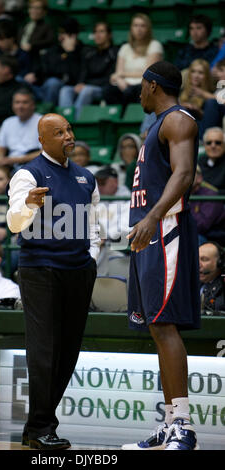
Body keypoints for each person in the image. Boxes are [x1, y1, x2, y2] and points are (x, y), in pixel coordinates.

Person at [6, 113, 100, 449]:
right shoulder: (27, 174)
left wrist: (92, 258)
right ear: (43, 140)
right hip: (40, 269)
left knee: (68, 350)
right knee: (44, 349)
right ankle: (43, 426)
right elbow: (14, 223)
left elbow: (93, 225)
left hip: (79, 270)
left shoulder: (86, 177)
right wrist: (28, 206)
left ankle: (37, 426)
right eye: (58, 132)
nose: (67, 136)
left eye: (69, 130)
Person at [122, 61, 200, 451]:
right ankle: (169, 422)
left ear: (153, 86)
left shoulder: (178, 120)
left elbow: (183, 174)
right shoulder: (157, 125)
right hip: (149, 233)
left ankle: (183, 426)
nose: (139, 93)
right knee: (155, 326)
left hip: (166, 231)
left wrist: (153, 216)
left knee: (165, 325)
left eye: (141, 86)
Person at [103, 13, 163, 111]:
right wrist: (119, 80)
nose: (139, 29)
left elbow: (148, 73)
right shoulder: (125, 47)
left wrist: (122, 75)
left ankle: (130, 117)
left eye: (142, 26)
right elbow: (118, 72)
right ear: (131, 28)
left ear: (148, 29)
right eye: (135, 25)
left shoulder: (155, 45)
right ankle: (117, 117)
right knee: (107, 91)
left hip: (143, 83)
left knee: (131, 91)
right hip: (125, 84)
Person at [58, 21, 119, 119]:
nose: (97, 35)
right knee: (65, 90)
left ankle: (76, 122)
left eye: (101, 32)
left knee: (87, 90)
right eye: (95, 32)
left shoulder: (114, 52)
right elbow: (83, 71)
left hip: (102, 88)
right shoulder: (89, 52)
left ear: (109, 35)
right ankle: (62, 122)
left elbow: (109, 78)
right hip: (87, 85)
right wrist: (80, 83)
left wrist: (85, 85)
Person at [28, 17, 85, 105]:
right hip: (44, 87)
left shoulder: (83, 51)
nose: (61, 37)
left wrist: (70, 53)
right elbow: (45, 69)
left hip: (67, 87)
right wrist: (34, 74)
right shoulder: (53, 50)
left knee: (53, 83)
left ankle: (47, 112)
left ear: (74, 35)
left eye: (65, 34)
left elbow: (76, 76)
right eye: (60, 33)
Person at [0, 88, 41, 169]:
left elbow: (45, 153)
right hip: (11, 167)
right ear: (12, 105)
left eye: (25, 102)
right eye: (17, 102)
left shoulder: (42, 121)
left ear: (33, 105)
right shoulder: (8, 122)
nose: (20, 106)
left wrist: (16, 160)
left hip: (35, 165)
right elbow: (0, 148)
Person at [190, 165, 225, 246]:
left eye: (190, 173)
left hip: (211, 238)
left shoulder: (211, 195)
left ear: (199, 178)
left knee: (193, 238)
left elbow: (202, 226)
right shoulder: (180, 195)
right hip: (191, 232)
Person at [19, 0, 55, 73]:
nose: (33, 11)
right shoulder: (24, 26)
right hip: (20, 57)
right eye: (31, 8)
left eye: (37, 8)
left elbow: (50, 41)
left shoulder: (47, 26)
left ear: (44, 12)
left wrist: (32, 45)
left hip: (35, 60)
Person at [199, 241, 225, 315]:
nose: (198, 264)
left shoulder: (222, 288)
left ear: (220, 263)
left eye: (204, 259)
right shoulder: (191, 283)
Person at [198, 127, 225, 194]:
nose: (213, 146)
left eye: (218, 143)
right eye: (209, 143)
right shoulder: (199, 161)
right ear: (204, 145)